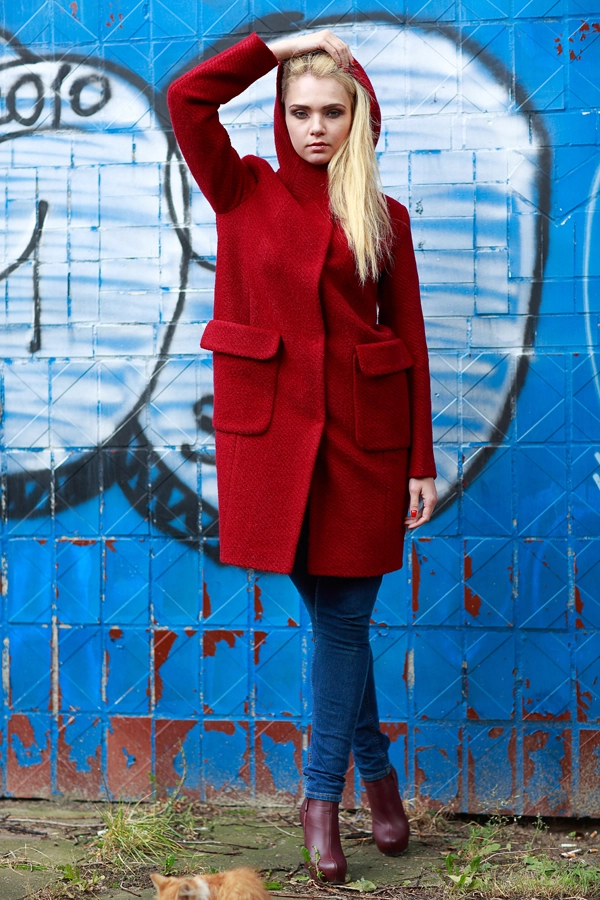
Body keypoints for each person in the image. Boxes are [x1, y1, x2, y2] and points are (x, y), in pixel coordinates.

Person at [167, 29, 438, 884]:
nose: (315, 127)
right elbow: (186, 99)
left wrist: (421, 461)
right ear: (280, 116)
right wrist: (281, 46)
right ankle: (379, 770)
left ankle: (321, 799)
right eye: (300, 112)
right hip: (273, 446)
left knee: (344, 621)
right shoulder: (241, 187)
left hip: (365, 442)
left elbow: (411, 340)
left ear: (358, 118)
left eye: (332, 112)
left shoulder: (383, 217)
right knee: (334, 625)